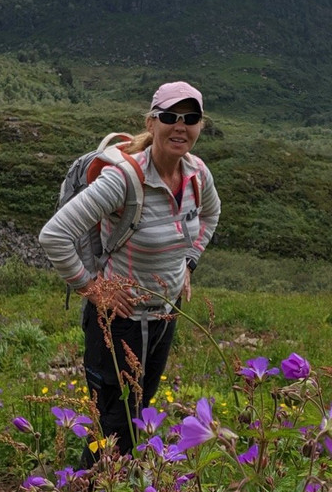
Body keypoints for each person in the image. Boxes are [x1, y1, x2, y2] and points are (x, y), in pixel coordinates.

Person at [39, 81, 221, 458]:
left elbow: (211, 214)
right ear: (151, 123)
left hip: (165, 314)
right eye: (170, 117)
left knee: (139, 412)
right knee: (114, 421)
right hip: (118, 320)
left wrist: (188, 262)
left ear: (201, 125)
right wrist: (91, 289)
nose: (180, 126)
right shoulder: (124, 179)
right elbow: (54, 235)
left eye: (190, 118)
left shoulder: (197, 174)